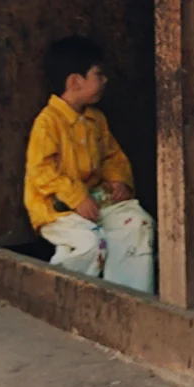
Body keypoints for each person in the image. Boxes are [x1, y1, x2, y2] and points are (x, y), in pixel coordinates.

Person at [24, 36, 155, 293]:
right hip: (57, 210)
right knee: (91, 243)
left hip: (94, 202)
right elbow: (40, 171)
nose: (105, 80)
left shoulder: (96, 119)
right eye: (99, 73)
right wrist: (76, 197)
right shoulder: (47, 122)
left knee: (138, 223)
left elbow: (112, 156)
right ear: (74, 81)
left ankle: (127, 294)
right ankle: (54, 293)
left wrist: (119, 180)